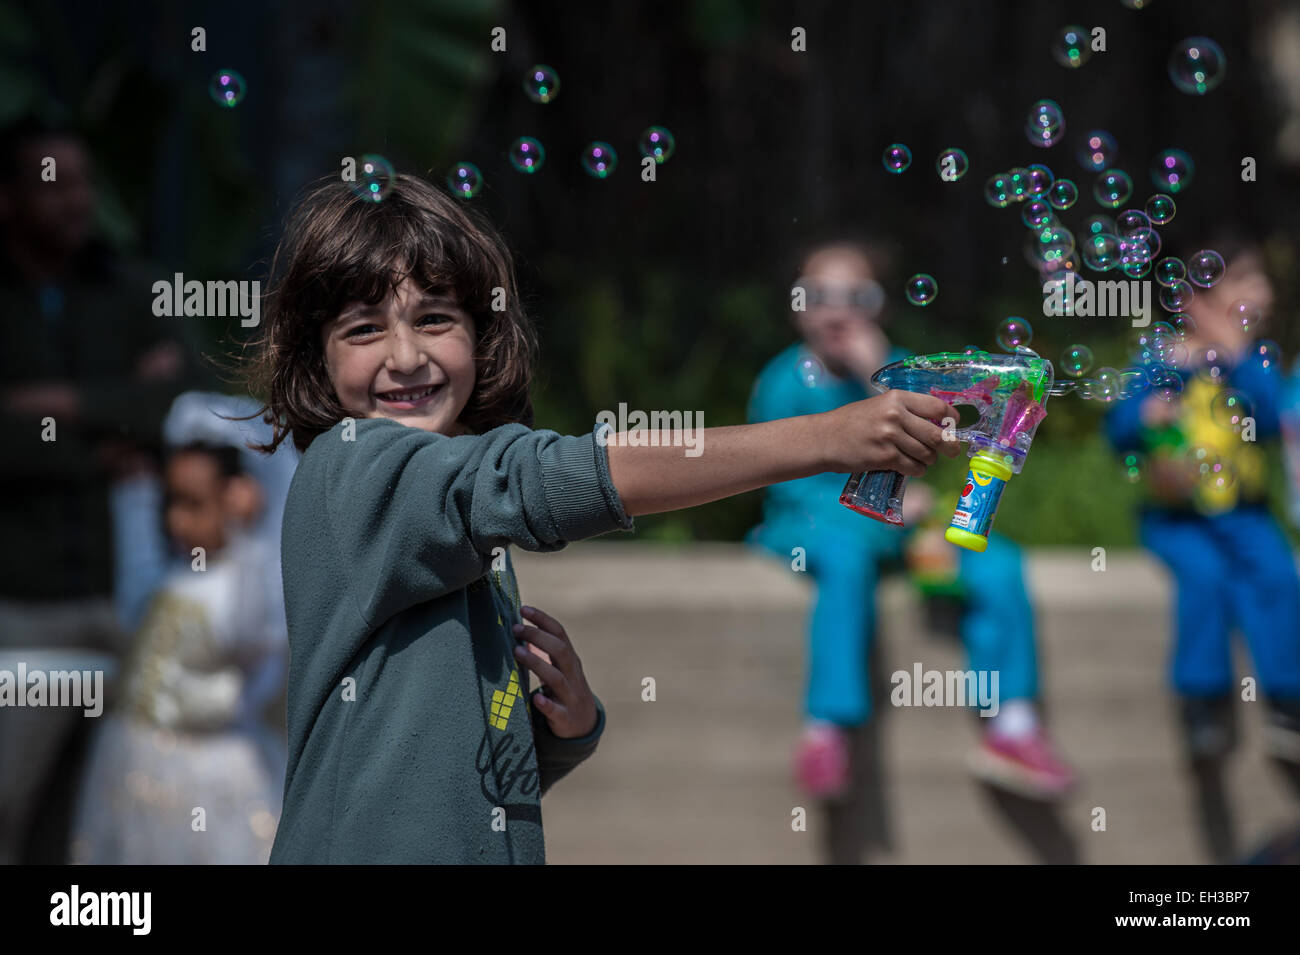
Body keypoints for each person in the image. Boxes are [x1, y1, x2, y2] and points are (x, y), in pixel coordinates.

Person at [234, 173, 959, 864]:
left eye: (434, 318)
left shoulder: (457, 515)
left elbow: (453, 798)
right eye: (363, 329)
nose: (405, 354)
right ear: (316, 360)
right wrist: (822, 438)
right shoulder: (352, 468)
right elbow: (544, 478)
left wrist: (564, 727)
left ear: (480, 336)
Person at [746, 237, 1075, 806]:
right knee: (846, 565)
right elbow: (783, 481)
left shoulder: (899, 370)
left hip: (890, 525)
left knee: (998, 563)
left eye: (857, 295)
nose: (838, 309)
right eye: (819, 295)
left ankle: (1013, 726)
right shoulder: (783, 382)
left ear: (880, 307)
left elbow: (936, 448)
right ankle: (826, 729)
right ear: (797, 307)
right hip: (810, 527)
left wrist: (881, 374)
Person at [0, 115, 219, 863]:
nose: (76, 200)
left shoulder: (130, 289)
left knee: (102, 822)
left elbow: (182, 406)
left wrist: (55, 404)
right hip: (20, 610)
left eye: (85, 180)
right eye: (53, 182)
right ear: (8, 198)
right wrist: (110, 428)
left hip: (127, 597)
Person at [1104, 234, 1300, 863]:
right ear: (1194, 298)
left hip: (1244, 514)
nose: (1262, 294)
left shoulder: (1255, 363)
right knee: (1204, 580)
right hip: (1179, 519)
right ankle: (1204, 703)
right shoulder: (1161, 358)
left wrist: (1238, 358)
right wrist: (1146, 416)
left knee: (1277, 578)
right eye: (1245, 282)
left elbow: (1272, 421)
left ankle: (1286, 701)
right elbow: (1120, 432)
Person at [69, 392, 293, 863]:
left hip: (207, 775)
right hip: (134, 757)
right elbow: (134, 600)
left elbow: (251, 633)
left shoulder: (244, 585)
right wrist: (133, 497)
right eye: (171, 501)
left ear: (239, 500)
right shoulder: (178, 573)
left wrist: (245, 534)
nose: (175, 520)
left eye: (194, 504)